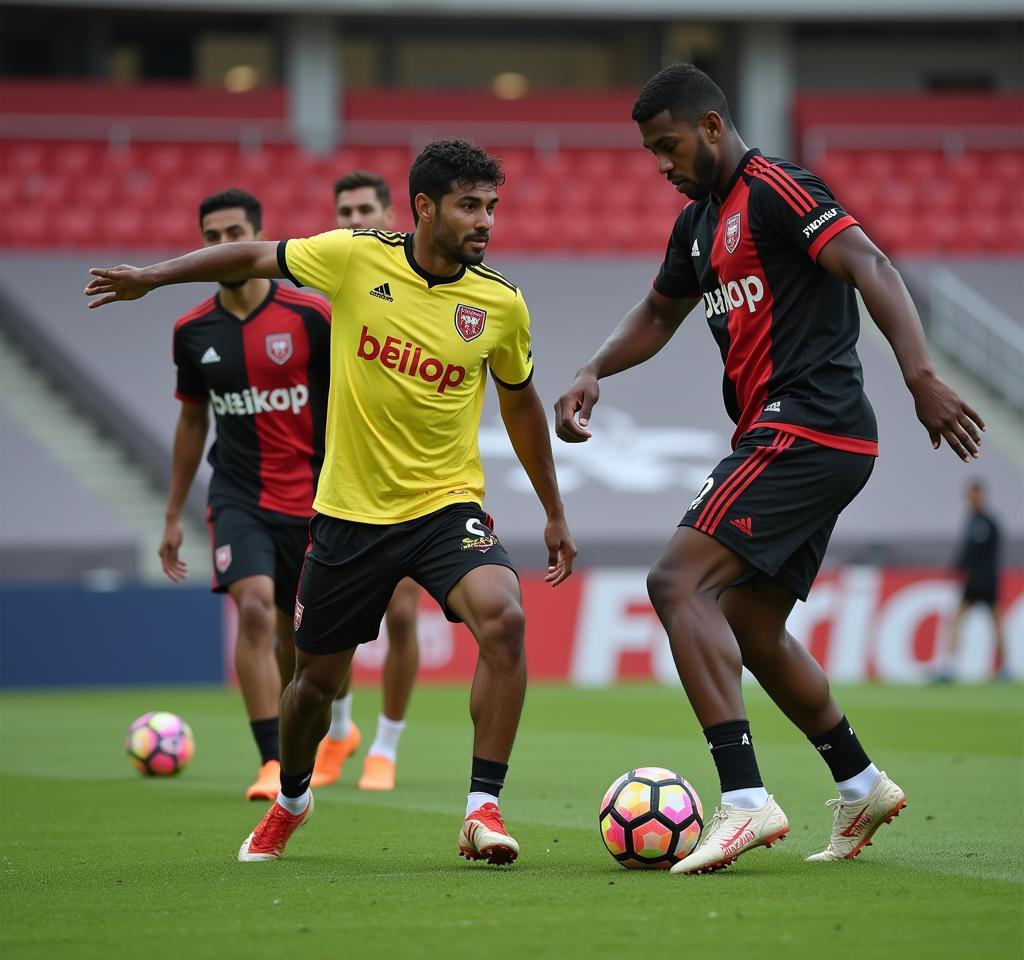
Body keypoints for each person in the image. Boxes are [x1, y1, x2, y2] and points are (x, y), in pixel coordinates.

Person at [86, 138, 575, 867]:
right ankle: (292, 797)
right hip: (348, 516)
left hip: (445, 508)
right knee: (313, 685)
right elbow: (251, 257)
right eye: (469, 206)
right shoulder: (354, 258)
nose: (485, 223)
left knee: (504, 618)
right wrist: (151, 279)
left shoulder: (499, 303)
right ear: (424, 208)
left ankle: (482, 809)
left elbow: (523, 403)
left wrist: (553, 509)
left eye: (491, 208)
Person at [554, 64, 984, 875]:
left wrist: (919, 375)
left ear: (712, 127)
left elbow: (873, 266)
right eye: (651, 153)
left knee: (676, 583)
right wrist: (594, 369)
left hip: (809, 423)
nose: (662, 165)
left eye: (669, 146)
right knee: (750, 624)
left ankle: (746, 800)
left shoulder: (778, 187)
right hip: (793, 435)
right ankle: (860, 782)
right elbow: (657, 312)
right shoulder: (696, 224)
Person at [160, 188, 330, 801]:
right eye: (211, 236)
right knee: (254, 609)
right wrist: (175, 513)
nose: (223, 245)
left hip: (315, 500)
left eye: (235, 233)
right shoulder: (192, 330)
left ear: (257, 236)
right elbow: (191, 422)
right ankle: (270, 760)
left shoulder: (311, 316)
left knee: (299, 642)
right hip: (239, 495)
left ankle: (304, 741)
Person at [313, 170, 423, 792]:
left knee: (402, 615)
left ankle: (384, 745)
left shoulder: (425, 280)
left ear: (392, 212)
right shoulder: (338, 283)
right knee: (338, 623)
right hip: (344, 473)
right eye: (343, 209)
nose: (353, 218)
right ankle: (341, 731)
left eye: (363, 208)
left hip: (414, 479)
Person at [935, 481, 1005, 680]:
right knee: (992, 622)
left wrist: (959, 567)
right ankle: (1003, 667)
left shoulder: (985, 523)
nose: (970, 499)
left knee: (965, 619)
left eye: (973, 495)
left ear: (981, 495)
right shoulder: (977, 521)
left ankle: (950, 666)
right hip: (982, 580)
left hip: (981, 581)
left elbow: (974, 554)